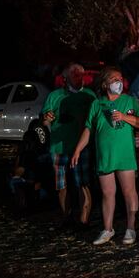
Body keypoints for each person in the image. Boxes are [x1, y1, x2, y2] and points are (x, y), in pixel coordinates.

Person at [71, 66, 139, 246]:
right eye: (114, 79)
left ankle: (131, 228)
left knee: (129, 192)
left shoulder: (129, 101)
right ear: (105, 84)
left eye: (120, 79)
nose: (118, 82)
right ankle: (107, 229)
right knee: (107, 193)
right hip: (105, 157)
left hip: (125, 156)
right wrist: (77, 150)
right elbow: (88, 129)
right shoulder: (97, 104)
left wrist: (125, 117)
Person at [41, 63, 96, 227]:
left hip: (82, 146)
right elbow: (45, 119)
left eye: (82, 74)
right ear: (65, 78)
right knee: (61, 184)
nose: (80, 77)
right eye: (75, 74)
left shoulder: (89, 95)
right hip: (59, 147)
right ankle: (67, 217)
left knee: (83, 183)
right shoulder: (55, 96)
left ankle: (84, 220)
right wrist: (47, 118)